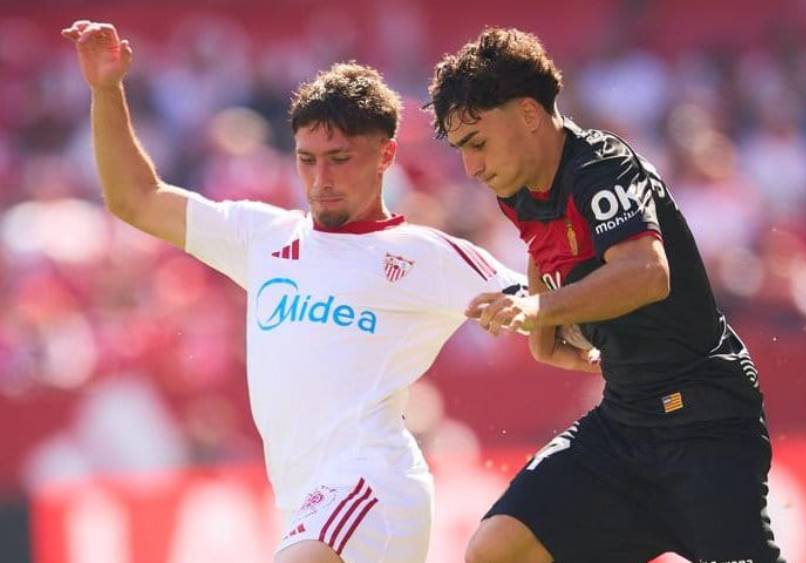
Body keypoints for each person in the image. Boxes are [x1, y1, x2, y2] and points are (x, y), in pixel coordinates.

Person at [63, 20, 528, 563]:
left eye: (339, 159)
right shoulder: (261, 235)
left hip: (371, 486)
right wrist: (106, 90)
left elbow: (547, 307)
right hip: (305, 500)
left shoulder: (424, 254)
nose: (320, 179)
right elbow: (135, 199)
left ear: (385, 156)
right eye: (307, 160)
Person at [428, 28, 785, 563]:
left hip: (705, 421)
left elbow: (647, 273)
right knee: (497, 549)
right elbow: (547, 268)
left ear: (528, 114)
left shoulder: (601, 165)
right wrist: (545, 331)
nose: (471, 168)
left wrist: (538, 308)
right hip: (625, 422)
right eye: (461, 150)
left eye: (477, 144)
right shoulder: (520, 189)